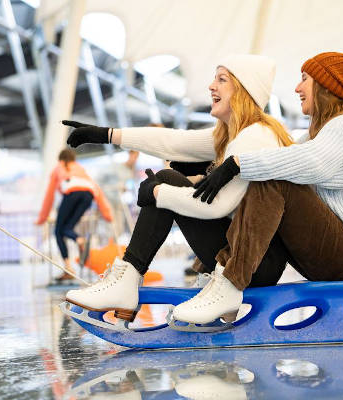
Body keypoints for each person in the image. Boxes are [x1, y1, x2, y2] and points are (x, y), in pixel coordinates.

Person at [62, 54, 295, 324]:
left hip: (255, 263)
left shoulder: (256, 135)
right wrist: (106, 134)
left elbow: (217, 206)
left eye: (222, 80)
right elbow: (173, 140)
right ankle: (126, 280)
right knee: (166, 177)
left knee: (166, 181)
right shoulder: (236, 134)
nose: (211, 86)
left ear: (243, 91)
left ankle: (126, 281)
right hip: (248, 257)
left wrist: (158, 193)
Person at [180, 52, 343, 324]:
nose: (297, 88)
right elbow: (285, 153)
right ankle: (215, 275)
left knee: (273, 180)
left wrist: (236, 164)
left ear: (326, 85)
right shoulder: (330, 130)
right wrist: (209, 169)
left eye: (305, 79)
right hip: (342, 248)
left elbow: (307, 162)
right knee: (264, 176)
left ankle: (230, 285)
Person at [36, 149, 113, 281]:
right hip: (88, 196)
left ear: (60, 159)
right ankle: (78, 240)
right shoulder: (80, 168)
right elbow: (97, 190)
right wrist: (107, 214)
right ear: (73, 159)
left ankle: (69, 266)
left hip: (72, 194)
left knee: (58, 231)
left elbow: (49, 196)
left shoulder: (57, 169)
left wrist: (42, 218)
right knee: (67, 228)